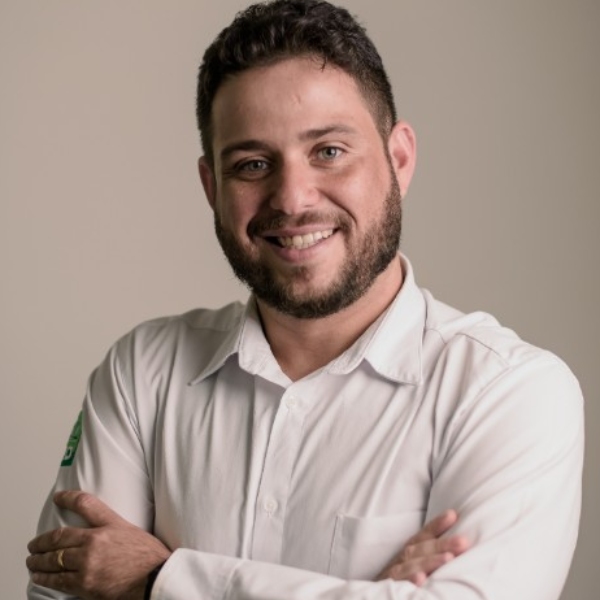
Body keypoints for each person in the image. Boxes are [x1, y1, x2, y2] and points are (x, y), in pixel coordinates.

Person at [26, 1, 584, 599]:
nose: (292, 199)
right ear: (212, 187)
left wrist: (158, 579)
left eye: (329, 152)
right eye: (252, 164)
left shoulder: (508, 393)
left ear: (398, 159)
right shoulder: (142, 374)